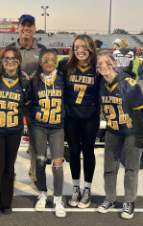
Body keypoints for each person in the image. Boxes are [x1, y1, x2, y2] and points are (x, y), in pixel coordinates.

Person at [96, 50, 143, 220]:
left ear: (114, 65)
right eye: (99, 64)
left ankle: (129, 201)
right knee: (109, 168)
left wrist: (141, 135)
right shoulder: (101, 84)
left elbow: (141, 113)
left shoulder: (129, 84)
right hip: (113, 130)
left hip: (131, 132)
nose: (103, 66)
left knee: (131, 168)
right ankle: (110, 198)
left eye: (106, 62)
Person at [0, 14, 46, 185]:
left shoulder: (42, 50)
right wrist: (17, 74)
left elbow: (50, 73)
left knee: (36, 141)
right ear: (18, 28)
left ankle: (36, 175)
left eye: (30, 25)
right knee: (11, 140)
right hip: (11, 102)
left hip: (35, 102)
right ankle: (10, 174)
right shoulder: (9, 49)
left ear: (34, 29)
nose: (26, 28)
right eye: (23, 25)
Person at [0, 46, 30, 215]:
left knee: (9, 167)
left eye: (14, 59)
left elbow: (27, 105)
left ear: (19, 62)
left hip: (13, 131)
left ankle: (6, 201)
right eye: (6, 58)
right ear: (1, 61)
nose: (10, 62)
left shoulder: (24, 82)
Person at [58, 34, 100, 208]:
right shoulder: (64, 65)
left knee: (88, 151)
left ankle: (87, 189)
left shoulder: (98, 66)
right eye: (76, 48)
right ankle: (76, 188)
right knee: (74, 151)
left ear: (91, 48)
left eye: (84, 47)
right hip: (71, 115)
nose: (80, 51)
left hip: (90, 116)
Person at [29, 49, 66, 218]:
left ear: (57, 61)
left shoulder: (63, 78)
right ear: (40, 62)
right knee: (40, 160)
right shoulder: (34, 79)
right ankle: (43, 193)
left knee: (57, 163)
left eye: (52, 59)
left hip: (57, 126)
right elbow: (29, 101)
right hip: (39, 126)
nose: (49, 62)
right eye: (45, 60)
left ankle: (58, 197)